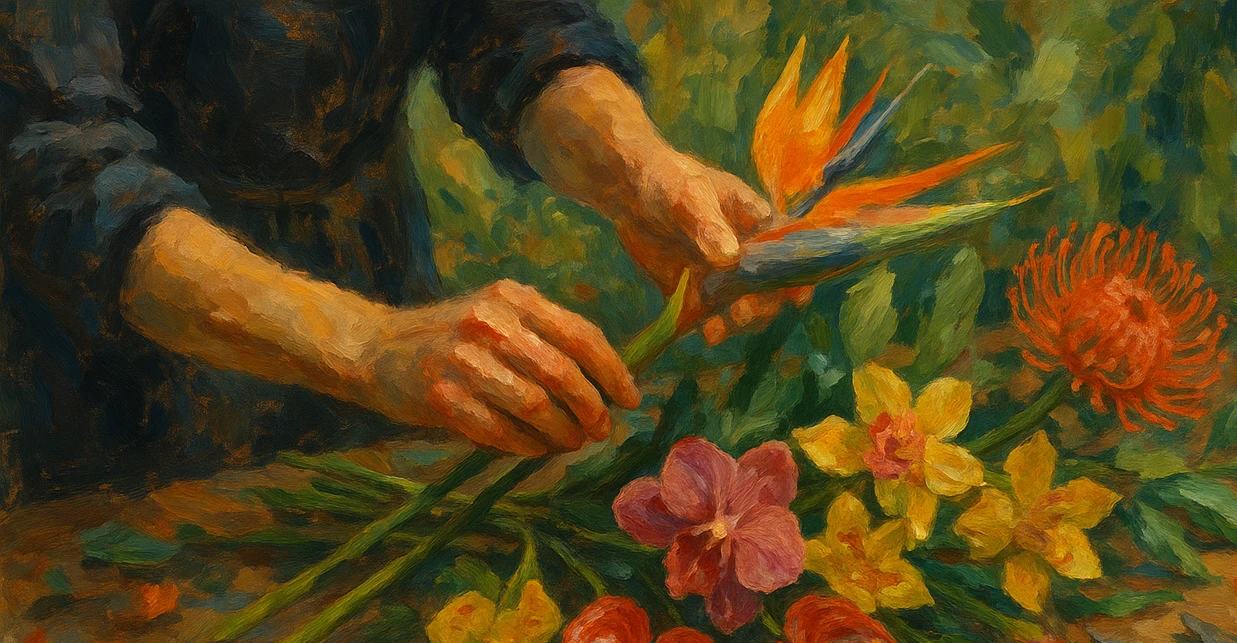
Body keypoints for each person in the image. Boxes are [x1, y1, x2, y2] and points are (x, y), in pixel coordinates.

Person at [0, 0, 780, 504]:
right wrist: (368, 347)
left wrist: (636, 170)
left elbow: (517, 32)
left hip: (384, 386)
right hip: (122, 419)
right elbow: (72, 184)